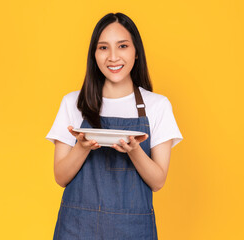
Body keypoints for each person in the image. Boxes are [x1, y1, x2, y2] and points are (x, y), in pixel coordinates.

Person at [45, 12, 183, 240]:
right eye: (103, 48)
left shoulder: (157, 106)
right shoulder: (73, 103)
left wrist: (135, 151)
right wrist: (82, 147)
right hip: (76, 229)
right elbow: (60, 177)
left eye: (122, 46)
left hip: (133, 229)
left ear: (136, 52)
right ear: (94, 54)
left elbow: (158, 181)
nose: (113, 57)